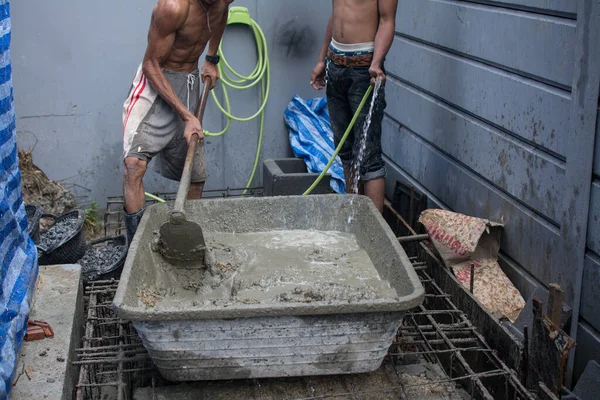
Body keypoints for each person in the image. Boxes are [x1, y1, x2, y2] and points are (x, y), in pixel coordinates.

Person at [122, 0, 234, 244]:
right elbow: (151, 64)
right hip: (156, 81)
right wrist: (186, 115)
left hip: (190, 80)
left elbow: (222, 12)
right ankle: (136, 249)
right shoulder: (172, 7)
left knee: (195, 173)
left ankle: (186, 241)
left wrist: (211, 58)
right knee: (134, 165)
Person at [310, 0, 397, 213]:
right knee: (344, 146)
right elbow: (336, 15)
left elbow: (387, 21)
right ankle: (353, 215)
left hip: (363, 69)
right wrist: (322, 60)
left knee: (368, 153)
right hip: (335, 64)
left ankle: (374, 231)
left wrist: (376, 63)